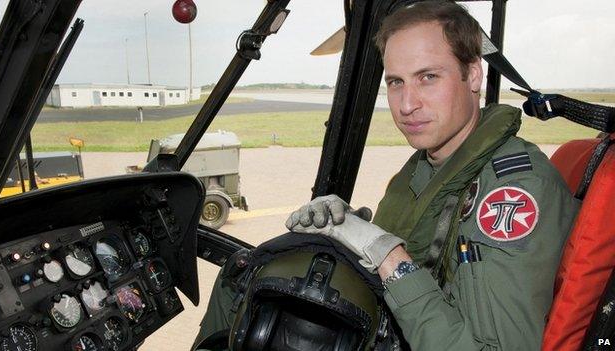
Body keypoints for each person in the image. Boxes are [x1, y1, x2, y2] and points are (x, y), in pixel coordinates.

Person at [195, 1, 579, 350]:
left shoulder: (508, 192)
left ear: (473, 75)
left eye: (428, 77)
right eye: (396, 82)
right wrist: (346, 225)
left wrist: (385, 253)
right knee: (244, 277)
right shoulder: (430, 163)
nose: (407, 105)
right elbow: (424, 252)